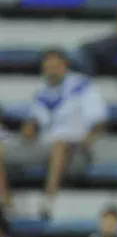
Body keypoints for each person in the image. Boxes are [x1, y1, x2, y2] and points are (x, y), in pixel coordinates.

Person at [13, 49, 107, 220]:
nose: (51, 70)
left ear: (65, 65)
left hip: (77, 151)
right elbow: (34, 122)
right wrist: (28, 129)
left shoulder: (82, 85)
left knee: (59, 144)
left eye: (55, 66)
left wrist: (86, 141)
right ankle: (6, 205)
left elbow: (99, 122)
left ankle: (48, 202)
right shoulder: (41, 92)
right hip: (46, 147)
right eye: (48, 67)